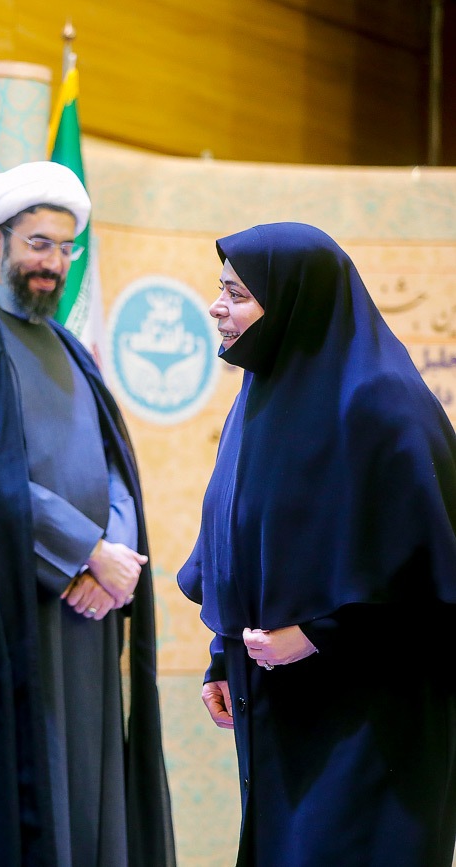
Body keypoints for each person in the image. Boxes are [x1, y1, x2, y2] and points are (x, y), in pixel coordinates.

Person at [0, 160, 175, 867]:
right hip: (11, 615)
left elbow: (115, 465)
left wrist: (115, 559)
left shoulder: (73, 350)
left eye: (65, 248)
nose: (53, 262)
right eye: (38, 244)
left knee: (90, 790)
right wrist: (84, 552)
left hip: (90, 612)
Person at [178, 222, 456, 866]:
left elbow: (430, 578)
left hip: (374, 726)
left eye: (237, 294)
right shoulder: (257, 401)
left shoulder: (384, 406)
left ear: (298, 302)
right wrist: (223, 656)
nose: (217, 307)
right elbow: (237, 540)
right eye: (221, 290)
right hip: (281, 712)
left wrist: (321, 633)